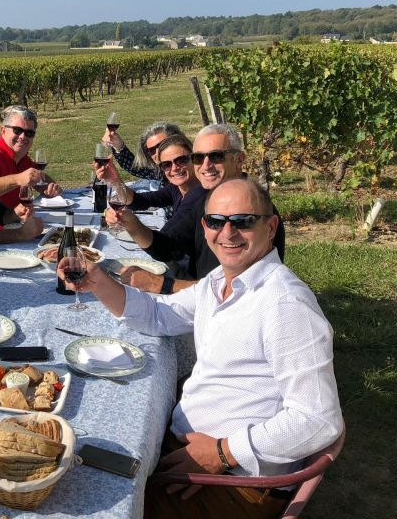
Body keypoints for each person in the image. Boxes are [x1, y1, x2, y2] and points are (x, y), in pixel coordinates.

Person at [59, 179, 343, 519]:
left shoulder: (285, 304)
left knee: (86, 503)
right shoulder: (221, 280)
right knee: (76, 458)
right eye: (215, 221)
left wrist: (223, 453)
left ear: (270, 227)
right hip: (191, 449)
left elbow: (318, 420)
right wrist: (99, 283)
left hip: (234, 481)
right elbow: (160, 315)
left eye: (242, 221)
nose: (227, 233)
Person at [112, 123, 285, 294]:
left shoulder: (254, 213)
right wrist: (131, 224)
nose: (206, 165)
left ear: (239, 160)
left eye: (216, 156)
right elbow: (168, 247)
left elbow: (230, 292)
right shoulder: (207, 200)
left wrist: (159, 284)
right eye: (198, 158)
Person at [97, 135, 207, 270]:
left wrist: (131, 223)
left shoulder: (199, 195)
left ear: (194, 159)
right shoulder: (178, 188)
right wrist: (114, 180)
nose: (174, 168)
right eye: (166, 165)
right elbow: (140, 202)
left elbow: (164, 248)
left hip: (197, 273)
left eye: (181, 160)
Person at [0, 105, 63, 209]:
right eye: (17, 130)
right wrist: (17, 179)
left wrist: (49, 186)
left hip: (17, 220)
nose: (23, 136)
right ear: (3, 130)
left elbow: (36, 174)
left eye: (29, 133)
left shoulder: (22, 157)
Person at [102, 121, 184, 183]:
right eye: (152, 150)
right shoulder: (162, 172)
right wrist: (118, 146)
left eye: (163, 145)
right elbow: (137, 168)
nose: (158, 152)